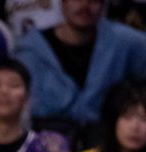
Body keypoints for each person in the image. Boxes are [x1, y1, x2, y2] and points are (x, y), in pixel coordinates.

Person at [15, 0, 146, 126]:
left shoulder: (124, 42)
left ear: (103, 7)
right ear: (62, 3)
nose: (85, 5)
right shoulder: (30, 51)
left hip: (106, 138)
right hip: (47, 137)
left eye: (94, 1)